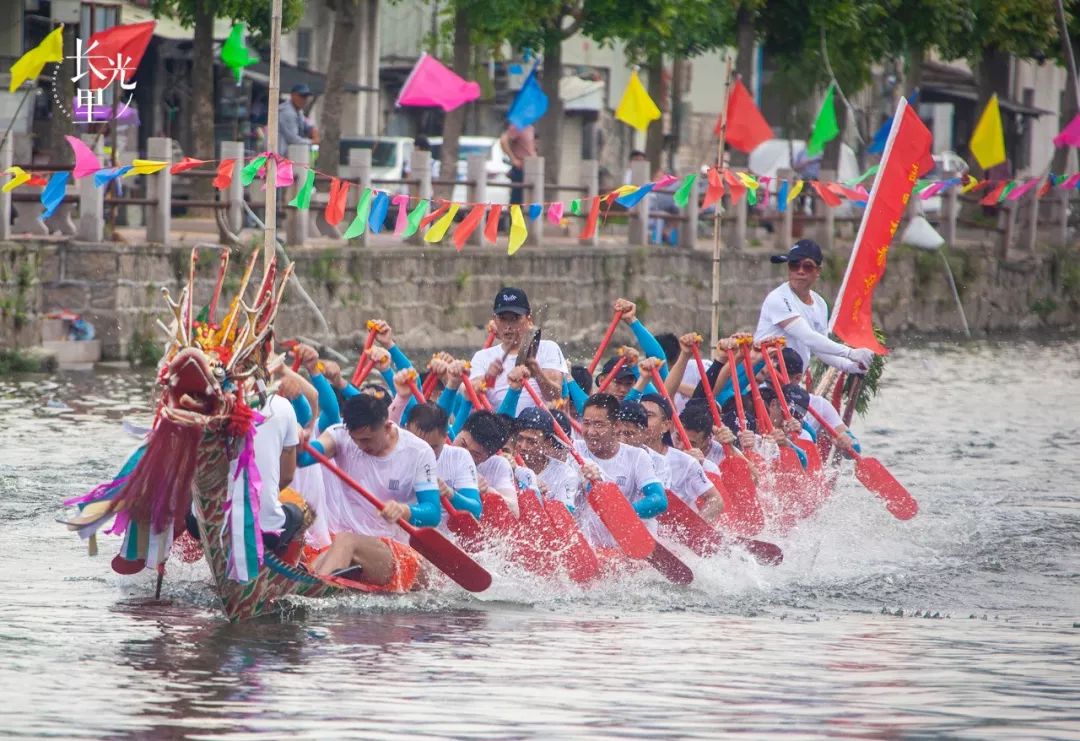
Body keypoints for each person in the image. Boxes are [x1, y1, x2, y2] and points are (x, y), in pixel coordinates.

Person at [298, 394, 440, 591]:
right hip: (340, 545)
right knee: (313, 556)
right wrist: (295, 435)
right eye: (356, 440)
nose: (361, 447)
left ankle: (309, 591)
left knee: (346, 540)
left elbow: (433, 512)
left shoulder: (419, 452)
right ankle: (306, 584)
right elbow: (303, 458)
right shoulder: (340, 436)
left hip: (395, 554)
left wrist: (404, 511)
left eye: (367, 439)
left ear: (387, 426)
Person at [755, 239, 875, 374]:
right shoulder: (777, 298)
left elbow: (819, 348)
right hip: (764, 381)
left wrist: (849, 366)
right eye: (794, 265)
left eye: (807, 266)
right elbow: (808, 337)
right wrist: (850, 353)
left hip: (791, 382)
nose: (800, 271)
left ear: (818, 271)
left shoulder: (820, 304)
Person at [573, 393, 668, 546]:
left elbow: (659, 501)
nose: (590, 432)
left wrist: (621, 512)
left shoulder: (637, 456)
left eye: (598, 424)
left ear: (616, 426)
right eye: (586, 423)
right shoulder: (574, 451)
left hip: (621, 547)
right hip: (588, 547)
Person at [469, 287, 566, 414]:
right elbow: (470, 397)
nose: (508, 326)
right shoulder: (482, 357)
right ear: (494, 320)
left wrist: (537, 374)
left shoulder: (548, 348)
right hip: (499, 426)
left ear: (529, 320)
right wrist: (489, 378)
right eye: (503, 318)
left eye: (515, 318)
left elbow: (554, 396)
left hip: (538, 427)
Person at [637, 391, 725, 521]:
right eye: (639, 415)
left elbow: (716, 500)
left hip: (675, 530)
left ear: (666, 425)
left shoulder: (687, 462)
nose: (641, 420)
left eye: (649, 415)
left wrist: (697, 530)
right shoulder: (627, 455)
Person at [404, 402, 482, 519]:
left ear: (445, 437)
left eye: (433, 447)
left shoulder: (460, 457)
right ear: (406, 431)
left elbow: (476, 510)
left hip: (444, 535)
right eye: (419, 445)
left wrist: (450, 493)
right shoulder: (392, 453)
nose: (425, 453)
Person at [513, 407, 581, 509]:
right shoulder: (506, 466)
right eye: (520, 439)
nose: (522, 447)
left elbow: (564, 518)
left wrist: (540, 499)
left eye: (531, 442)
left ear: (547, 443)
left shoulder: (567, 475)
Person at [499, 122, 536, 205]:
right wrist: (513, 159)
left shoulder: (530, 128)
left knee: (529, 200)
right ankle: (514, 218)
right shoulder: (517, 126)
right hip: (520, 168)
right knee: (517, 200)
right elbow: (503, 141)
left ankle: (525, 217)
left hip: (532, 168)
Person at [278, 83, 319, 156]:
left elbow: (305, 126)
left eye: (306, 97)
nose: (304, 99)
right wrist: (312, 142)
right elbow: (292, 139)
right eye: (301, 96)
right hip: (278, 154)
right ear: (293, 95)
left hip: (287, 154)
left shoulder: (298, 110)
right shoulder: (287, 112)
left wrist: (312, 130)